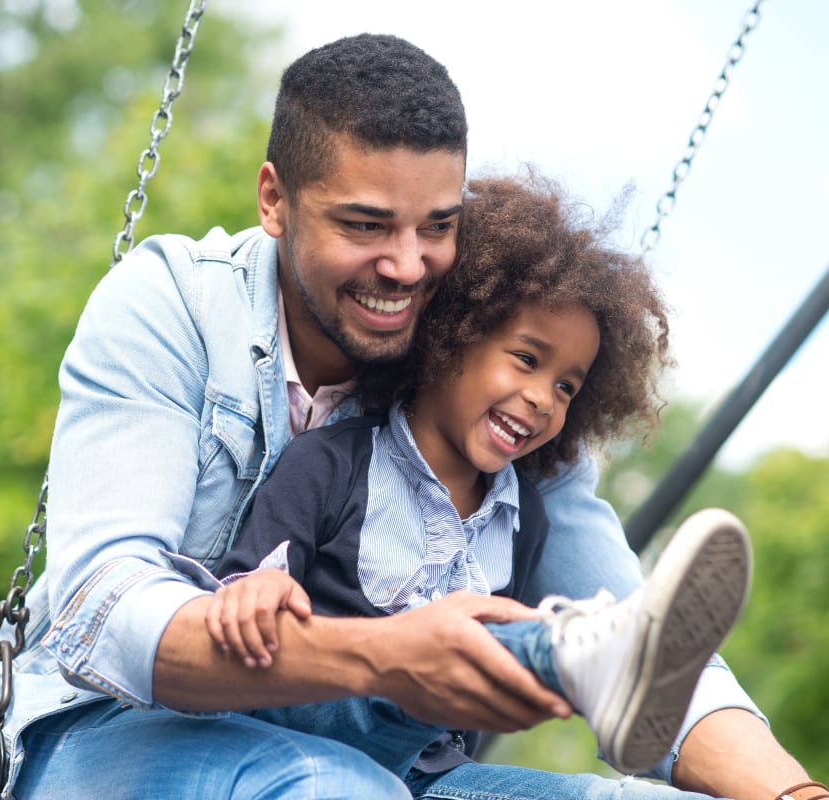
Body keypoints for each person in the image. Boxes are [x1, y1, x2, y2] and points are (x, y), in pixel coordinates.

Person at [0, 33, 822, 800]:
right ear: (274, 199)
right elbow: (107, 615)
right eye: (366, 224)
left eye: (438, 226)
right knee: (336, 785)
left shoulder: (473, 370)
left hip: (392, 768)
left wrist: (789, 790)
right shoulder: (170, 303)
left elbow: (656, 654)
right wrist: (389, 655)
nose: (408, 268)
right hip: (106, 733)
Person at [205, 172, 752, 778]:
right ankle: (586, 658)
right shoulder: (333, 463)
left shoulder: (524, 521)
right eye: (526, 360)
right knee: (429, 659)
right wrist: (259, 588)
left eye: (566, 386)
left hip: (428, 775)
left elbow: (464, 732)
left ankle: (599, 665)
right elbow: (242, 595)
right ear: (451, 335)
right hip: (303, 737)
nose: (544, 398)